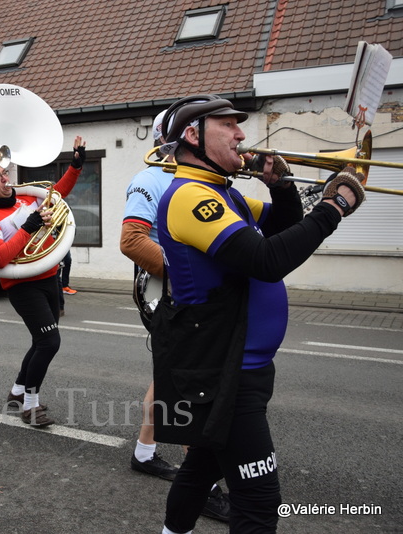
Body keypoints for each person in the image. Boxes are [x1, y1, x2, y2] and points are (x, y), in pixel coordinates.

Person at [153, 95, 364, 534]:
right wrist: (335, 207)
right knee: (259, 501)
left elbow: (283, 229)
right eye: (228, 125)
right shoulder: (191, 196)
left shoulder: (223, 194)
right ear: (193, 135)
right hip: (223, 371)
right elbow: (268, 259)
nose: (242, 134)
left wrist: (282, 189)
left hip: (239, 364)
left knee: (201, 469)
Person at [120, 109, 230, 523]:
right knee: (190, 383)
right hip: (174, 294)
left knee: (168, 377)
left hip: (196, 296)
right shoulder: (150, 178)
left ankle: (144, 452)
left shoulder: (198, 176)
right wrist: (185, 275)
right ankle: (204, 485)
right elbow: (131, 240)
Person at [0, 136, 86, 428]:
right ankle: (30, 405)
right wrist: (29, 226)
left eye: (5, 173)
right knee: (50, 341)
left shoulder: (25, 196)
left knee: (42, 340)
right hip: (22, 286)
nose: (5, 179)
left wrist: (75, 167)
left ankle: (16, 392)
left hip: (49, 276)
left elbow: (58, 195)